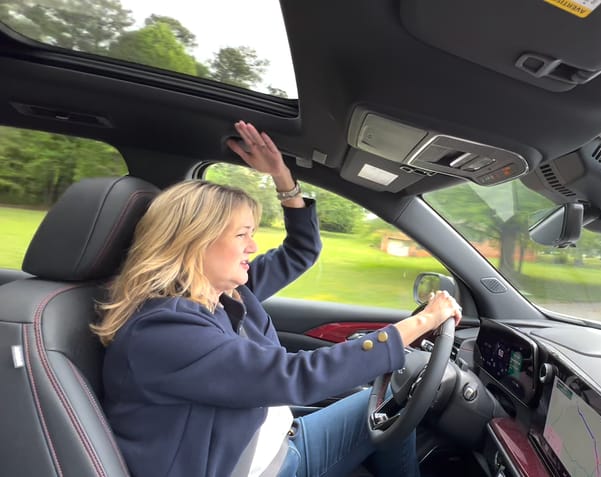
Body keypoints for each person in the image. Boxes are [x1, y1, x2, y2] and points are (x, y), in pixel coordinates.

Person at [93, 120, 462, 477]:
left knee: (390, 406)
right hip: (261, 466)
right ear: (194, 242)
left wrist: (283, 179)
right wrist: (422, 321)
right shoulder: (164, 330)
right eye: (242, 235)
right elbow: (295, 376)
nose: (252, 247)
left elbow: (300, 251)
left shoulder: (225, 293)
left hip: (272, 437)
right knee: (397, 405)